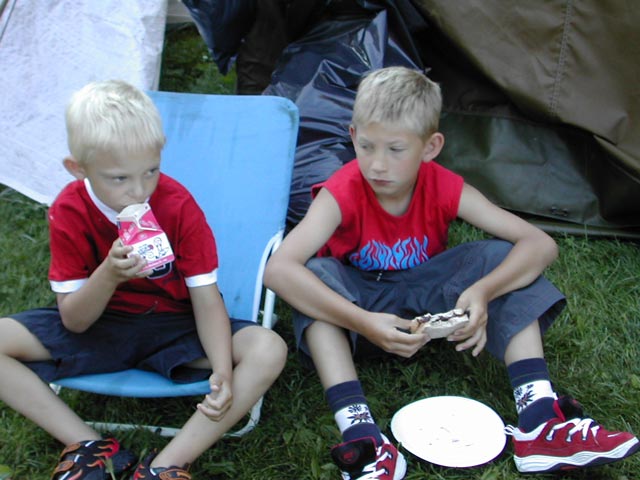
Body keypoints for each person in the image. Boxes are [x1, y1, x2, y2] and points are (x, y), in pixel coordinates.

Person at [263, 66, 639, 479]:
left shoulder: (443, 185)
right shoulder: (342, 190)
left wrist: (482, 292)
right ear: (352, 135)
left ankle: (540, 418)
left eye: (396, 149)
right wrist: (363, 321)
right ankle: (362, 436)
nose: (377, 165)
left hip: (430, 305)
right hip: (360, 308)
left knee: (499, 256)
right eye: (366, 146)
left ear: (431, 146)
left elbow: (539, 244)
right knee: (314, 276)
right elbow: (278, 270)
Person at [0, 80, 288, 479]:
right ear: (78, 169)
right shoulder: (69, 210)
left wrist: (222, 370)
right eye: (119, 179)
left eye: (151, 171)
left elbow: (206, 298)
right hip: (100, 326)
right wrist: (108, 274)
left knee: (268, 348)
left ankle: (166, 464)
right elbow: (75, 321)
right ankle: (89, 445)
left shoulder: (177, 204)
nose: (138, 191)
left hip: (175, 326)